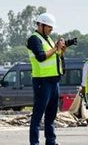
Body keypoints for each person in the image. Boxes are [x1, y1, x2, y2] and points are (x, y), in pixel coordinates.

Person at [27, 13, 66, 145]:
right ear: (41, 25)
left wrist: (61, 50)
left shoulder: (48, 39)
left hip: (53, 81)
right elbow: (41, 56)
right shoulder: (34, 39)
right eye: (49, 27)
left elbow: (55, 56)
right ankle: (34, 143)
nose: (51, 29)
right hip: (42, 81)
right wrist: (56, 48)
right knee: (38, 115)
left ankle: (51, 141)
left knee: (51, 114)